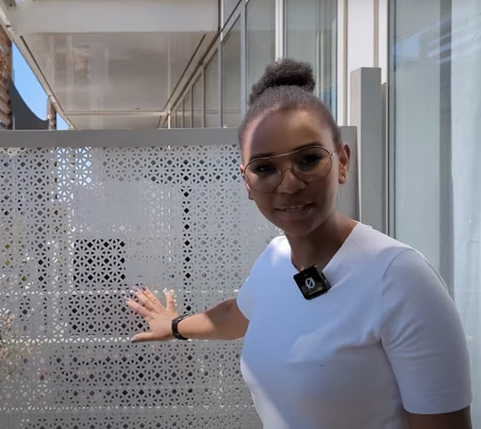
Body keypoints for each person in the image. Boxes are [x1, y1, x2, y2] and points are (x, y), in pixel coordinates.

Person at [126, 59, 473, 429]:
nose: (288, 184)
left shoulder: (401, 279)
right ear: (246, 182)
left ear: (342, 161)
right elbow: (237, 314)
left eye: (308, 160)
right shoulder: (275, 259)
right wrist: (175, 325)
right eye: (264, 168)